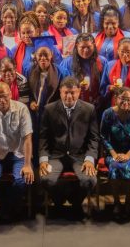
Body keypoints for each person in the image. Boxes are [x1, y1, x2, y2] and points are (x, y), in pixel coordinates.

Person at [37, 76, 99, 219]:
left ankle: (75, 202)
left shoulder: (89, 109)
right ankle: (58, 202)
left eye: (73, 92)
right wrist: (44, 160)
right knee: (46, 179)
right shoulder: (49, 109)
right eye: (66, 92)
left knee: (90, 180)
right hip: (56, 155)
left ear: (79, 92)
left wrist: (90, 159)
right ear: (60, 92)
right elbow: (43, 138)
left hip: (80, 156)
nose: (69, 96)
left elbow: (94, 138)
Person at [0, 79, 36, 222]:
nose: (2, 100)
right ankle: (9, 205)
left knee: (23, 180)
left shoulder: (22, 109)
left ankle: (5, 207)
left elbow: (28, 138)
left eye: (4, 96)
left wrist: (28, 165)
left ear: (11, 94)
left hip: (18, 153)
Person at [99, 87, 130, 219]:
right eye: (122, 99)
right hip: (112, 152)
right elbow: (103, 136)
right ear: (116, 99)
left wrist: (128, 155)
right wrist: (114, 154)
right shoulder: (108, 113)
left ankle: (128, 200)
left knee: (125, 166)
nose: (126, 102)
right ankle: (117, 202)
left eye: (129, 99)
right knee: (115, 166)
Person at [59, 33, 106, 107]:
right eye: (82, 47)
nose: (86, 50)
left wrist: (100, 99)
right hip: (75, 104)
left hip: (97, 103)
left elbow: (104, 84)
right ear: (77, 46)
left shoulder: (102, 61)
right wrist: (76, 86)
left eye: (89, 47)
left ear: (93, 45)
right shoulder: (67, 63)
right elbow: (62, 84)